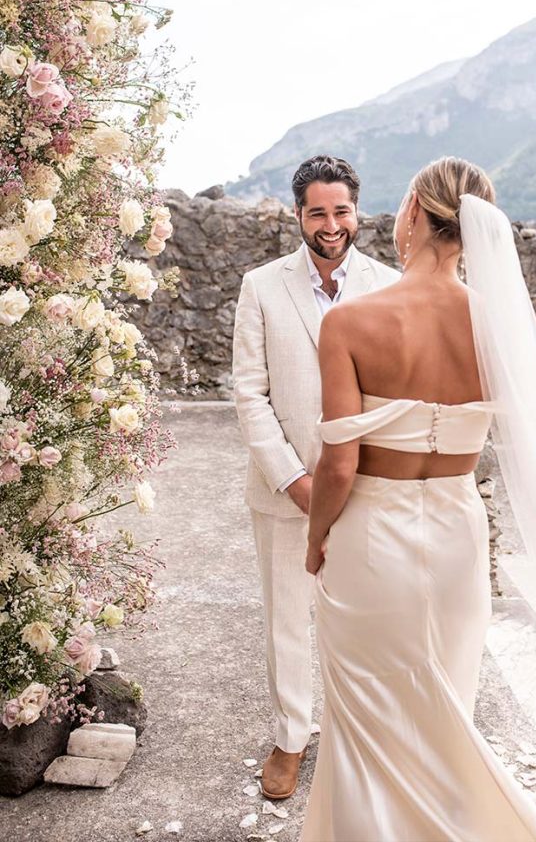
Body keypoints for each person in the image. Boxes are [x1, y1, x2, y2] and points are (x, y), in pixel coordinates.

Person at [296, 156, 536, 842]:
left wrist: (317, 537)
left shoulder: (350, 323)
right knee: (446, 713)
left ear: (412, 211)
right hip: (456, 538)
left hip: (370, 542)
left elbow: (338, 464)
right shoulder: (495, 327)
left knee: (365, 726)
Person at [232, 155, 400, 801]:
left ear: (357, 212)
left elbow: (392, 392)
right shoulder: (260, 286)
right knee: (285, 621)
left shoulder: (388, 285)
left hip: (365, 489)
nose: (330, 225)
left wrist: (355, 481)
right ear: (298, 214)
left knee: (364, 617)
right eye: (317, 212)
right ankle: (289, 738)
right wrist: (295, 480)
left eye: (340, 211)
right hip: (283, 490)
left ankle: (361, 734)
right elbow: (249, 394)